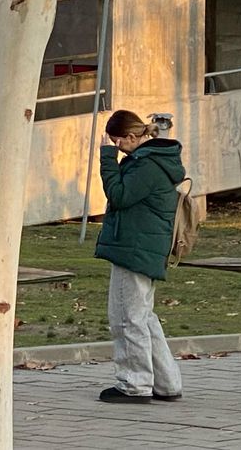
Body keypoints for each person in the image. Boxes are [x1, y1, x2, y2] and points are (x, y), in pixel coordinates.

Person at [96, 110, 185, 404]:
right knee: (143, 317)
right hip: (143, 246)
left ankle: (134, 384)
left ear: (133, 136)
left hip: (134, 248)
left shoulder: (146, 164)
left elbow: (119, 195)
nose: (117, 147)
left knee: (126, 318)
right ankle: (167, 383)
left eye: (118, 141)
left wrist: (107, 160)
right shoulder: (152, 160)